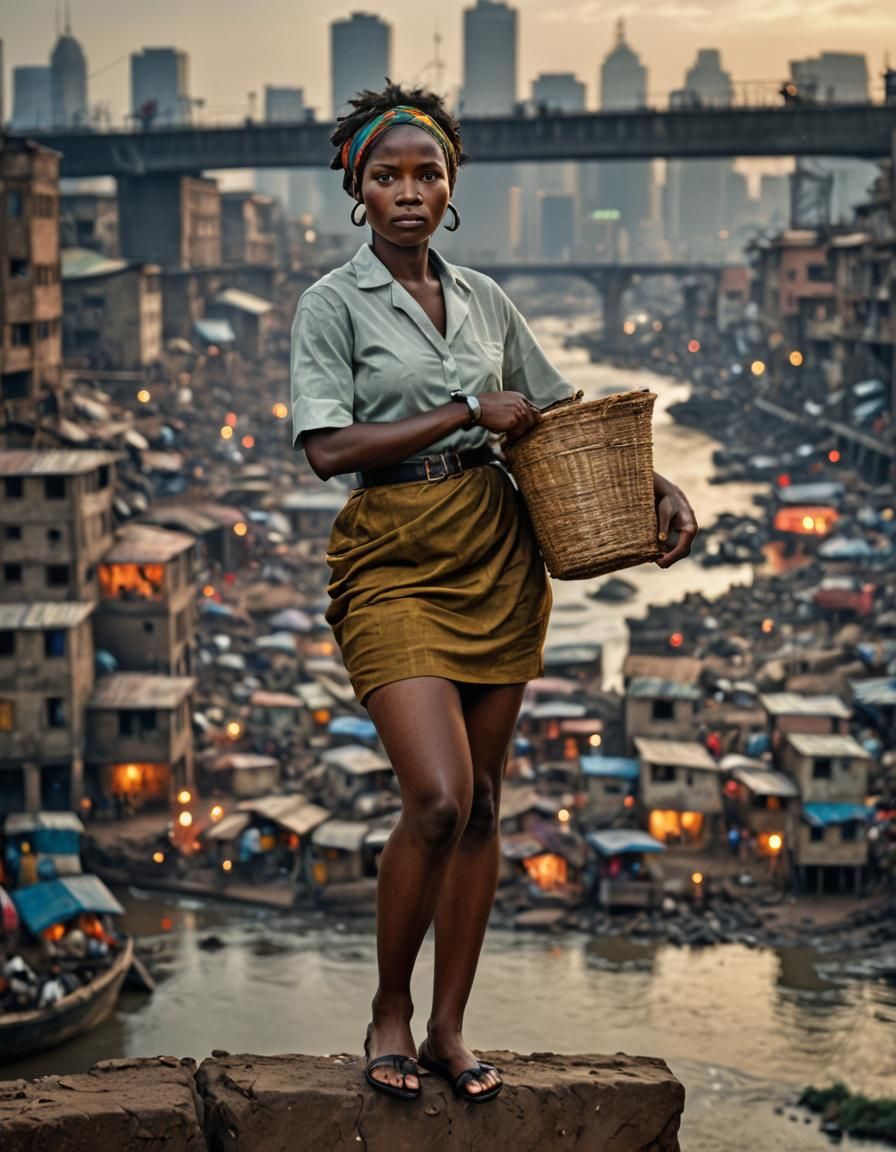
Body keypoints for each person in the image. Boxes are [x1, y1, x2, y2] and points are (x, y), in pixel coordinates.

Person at [290, 81, 698, 1103]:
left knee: (485, 810)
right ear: (357, 190)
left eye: (426, 173)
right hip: (391, 558)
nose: (409, 192)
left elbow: (557, 418)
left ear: (451, 183)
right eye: (386, 175)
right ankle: (387, 1009)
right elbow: (327, 448)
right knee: (435, 799)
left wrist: (652, 484)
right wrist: (464, 408)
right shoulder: (330, 306)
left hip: (498, 554)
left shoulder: (484, 302)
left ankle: (446, 1029)